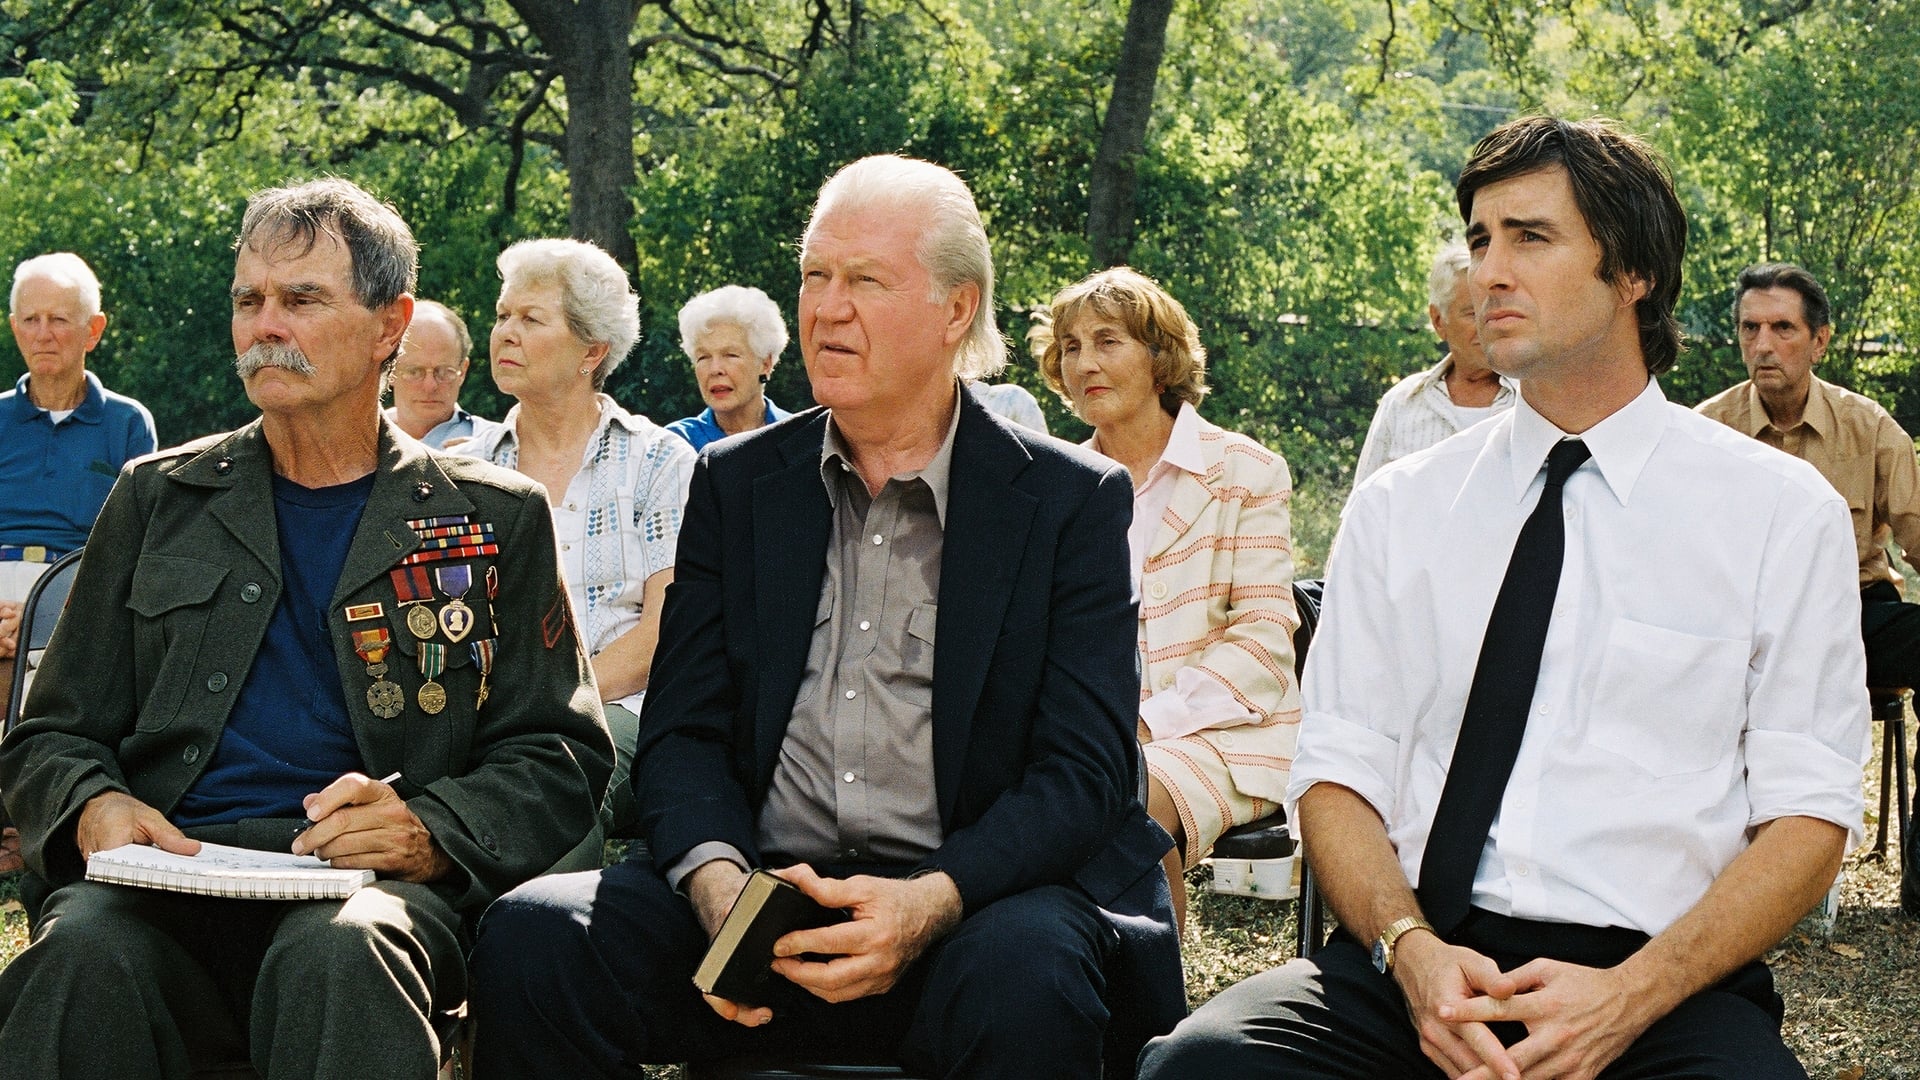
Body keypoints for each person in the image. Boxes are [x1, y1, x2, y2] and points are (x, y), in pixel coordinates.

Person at [1140, 116, 1867, 1080]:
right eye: (1481, 239)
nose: (1489, 272)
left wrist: (1630, 997)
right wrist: (1412, 953)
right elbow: (1335, 775)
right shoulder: (1400, 507)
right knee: (1202, 1066)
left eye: (1530, 237)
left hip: (1659, 981)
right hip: (1418, 959)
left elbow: (1809, 817)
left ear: (1633, 272)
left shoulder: (1778, 513)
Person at [468, 154, 1185, 1079]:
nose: (827, 309)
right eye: (815, 275)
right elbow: (683, 731)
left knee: (1029, 976)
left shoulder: (1067, 501)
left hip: (977, 905)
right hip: (764, 896)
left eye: (866, 281)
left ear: (956, 310)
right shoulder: (737, 484)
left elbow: (1086, 772)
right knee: (536, 938)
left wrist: (931, 901)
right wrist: (720, 888)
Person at [0, 178, 613, 1080]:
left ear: (389, 326)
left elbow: (558, 752)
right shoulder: (156, 498)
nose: (265, 327)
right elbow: (51, 732)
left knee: (340, 953)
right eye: (248, 300)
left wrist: (430, 829)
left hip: (368, 897)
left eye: (302, 299)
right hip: (162, 887)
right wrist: (94, 806)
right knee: (80, 956)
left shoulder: (491, 518)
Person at [1039, 265, 1299, 935]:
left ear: (1160, 358)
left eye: (1107, 341)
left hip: (1232, 735)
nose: (1084, 363)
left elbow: (1264, 640)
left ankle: (1152, 990)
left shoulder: (1246, 472)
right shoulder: (1056, 488)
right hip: (1094, 737)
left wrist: (1144, 726)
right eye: (1070, 347)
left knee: (1125, 797)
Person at [457, 238, 694, 869]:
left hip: (618, 712)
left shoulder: (659, 461)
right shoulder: (464, 470)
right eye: (502, 315)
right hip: (485, 719)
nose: (505, 333)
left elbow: (661, 635)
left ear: (592, 351)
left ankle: (535, 926)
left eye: (532, 319)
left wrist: (550, 707)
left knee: (557, 785)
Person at [0, 253, 157, 660]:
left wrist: (44, 612)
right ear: (15, 328)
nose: (42, 334)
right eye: (30, 319)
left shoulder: (127, 422)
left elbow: (135, 546)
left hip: (79, 596)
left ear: (93, 330)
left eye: (58, 319)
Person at [1351, 241, 1515, 486]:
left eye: (1495, 310)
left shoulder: (1535, 402)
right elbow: (1364, 501)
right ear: (1438, 320)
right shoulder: (1402, 403)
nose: (1488, 324)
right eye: (1472, 313)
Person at [665, 285, 795, 452]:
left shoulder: (797, 435)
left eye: (730, 355)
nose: (715, 369)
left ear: (765, 363)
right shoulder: (676, 444)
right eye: (703, 357)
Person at [383, 298, 502, 449]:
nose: (430, 385)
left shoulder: (494, 446)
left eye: (444, 372)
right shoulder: (361, 443)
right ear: (390, 370)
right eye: (414, 372)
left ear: (462, 371)